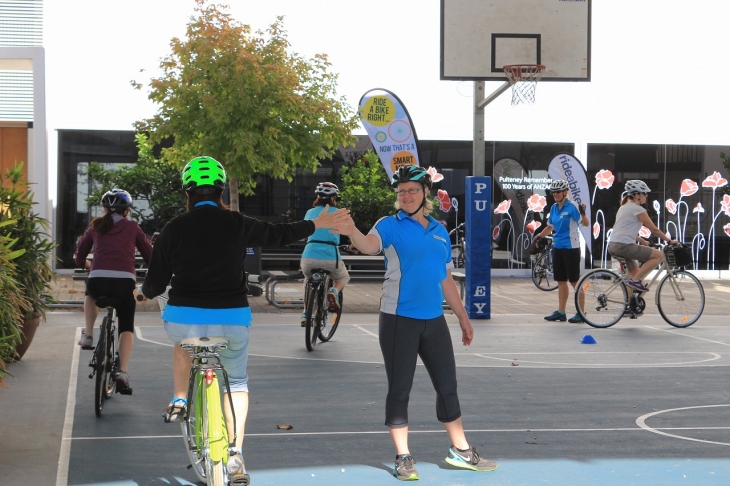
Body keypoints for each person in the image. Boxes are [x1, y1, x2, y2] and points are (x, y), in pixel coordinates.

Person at [134, 156, 349, 484]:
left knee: (182, 343)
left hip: (184, 319)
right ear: (221, 192)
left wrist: (142, 294)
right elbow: (279, 234)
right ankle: (235, 454)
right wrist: (316, 224)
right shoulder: (236, 222)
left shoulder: (173, 229)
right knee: (235, 382)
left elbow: (156, 282)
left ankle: (181, 397)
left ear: (187, 193)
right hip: (232, 319)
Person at [337, 164, 497, 481]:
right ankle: (403, 456)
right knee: (400, 390)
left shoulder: (438, 231)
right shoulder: (390, 225)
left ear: (426, 193)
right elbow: (369, 245)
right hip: (399, 320)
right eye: (401, 191)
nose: (406, 196)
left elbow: (445, 279)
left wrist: (463, 318)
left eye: (412, 190)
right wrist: (352, 230)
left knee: (448, 386)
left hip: (433, 320)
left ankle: (461, 451)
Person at [74, 189, 152, 392]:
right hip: (124, 283)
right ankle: (122, 371)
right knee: (126, 326)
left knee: (90, 292)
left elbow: (80, 253)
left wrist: (85, 263)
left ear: (105, 209)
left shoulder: (95, 227)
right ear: (127, 210)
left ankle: (89, 334)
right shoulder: (133, 227)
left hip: (98, 280)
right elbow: (149, 255)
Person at [608, 180, 679, 293]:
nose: (646, 196)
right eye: (644, 193)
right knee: (658, 256)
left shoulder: (623, 207)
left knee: (636, 274)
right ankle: (635, 282)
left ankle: (629, 304)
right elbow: (654, 230)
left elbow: (622, 231)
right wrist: (669, 241)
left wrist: (642, 240)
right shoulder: (638, 209)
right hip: (624, 246)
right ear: (637, 195)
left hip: (614, 245)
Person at [534, 179, 590, 323]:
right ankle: (561, 312)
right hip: (558, 247)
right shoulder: (553, 208)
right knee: (561, 282)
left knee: (574, 281)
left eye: (558, 192)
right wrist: (539, 236)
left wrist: (583, 213)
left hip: (571, 248)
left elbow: (585, 223)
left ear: (565, 192)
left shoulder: (572, 206)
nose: (555, 194)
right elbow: (550, 227)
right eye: (553, 192)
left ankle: (581, 313)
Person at [300, 182, 351, 325]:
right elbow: (348, 232)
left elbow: (305, 230)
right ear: (333, 198)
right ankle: (334, 292)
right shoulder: (339, 213)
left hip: (309, 256)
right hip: (330, 256)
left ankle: (305, 313)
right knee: (343, 277)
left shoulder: (310, 212)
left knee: (308, 280)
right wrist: (352, 246)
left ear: (317, 197)